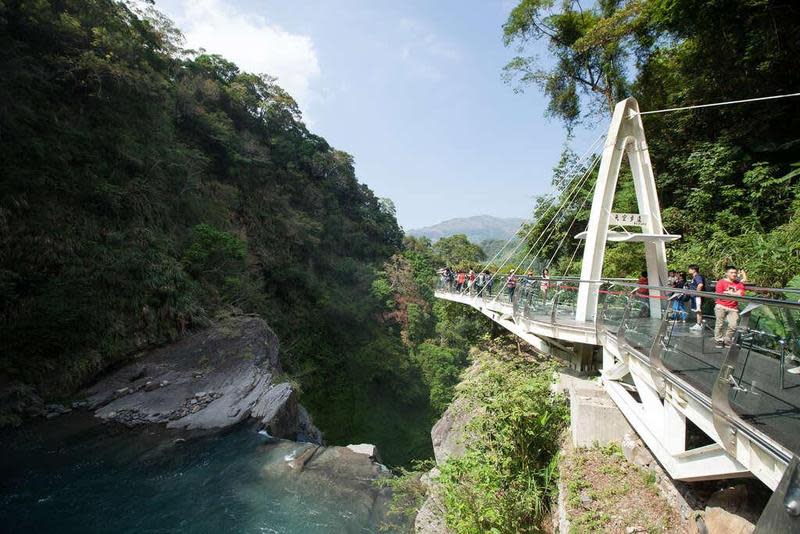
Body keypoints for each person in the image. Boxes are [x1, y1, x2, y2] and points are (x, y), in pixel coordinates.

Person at [714, 265, 746, 348]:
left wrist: (729, 293)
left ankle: (727, 340)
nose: (734, 274)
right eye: (732, 272)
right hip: (721, 306)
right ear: (727, 273)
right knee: (719, 324)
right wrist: (735, 293)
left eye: (735, 273)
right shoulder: (721, 282)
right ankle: (719, 340)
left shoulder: (739, 283)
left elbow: (741, 293)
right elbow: (720, 294)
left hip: (733, 307)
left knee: (733, 325)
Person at [688, 264, 706, 331]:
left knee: (698, 310)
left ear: (694, 270)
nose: (688, 270)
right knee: (697, 310)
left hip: (697, 297)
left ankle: (699, 324)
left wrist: (697, 293)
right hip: (695, 296)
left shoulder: (697, 277)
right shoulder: (694, 277)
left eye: (689, 269)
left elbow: (700, 285)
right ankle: (699, 324)